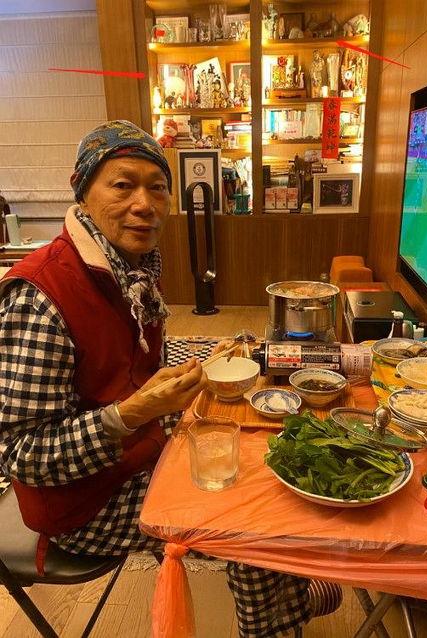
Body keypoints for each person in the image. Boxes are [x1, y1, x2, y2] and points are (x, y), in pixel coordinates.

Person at [0, 120, 341, 637]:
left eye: (157, 188)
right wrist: (133, 413)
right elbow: (22, 455)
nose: (144, 204)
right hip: (82, 507)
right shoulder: (40, 295)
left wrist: (202, 362)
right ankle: (279, 614)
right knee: (246, 520)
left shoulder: (130, 270)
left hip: (139, 454)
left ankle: (285, 601)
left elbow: (132, 368)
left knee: (264, 468)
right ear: (82, 192)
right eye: (122, 185)